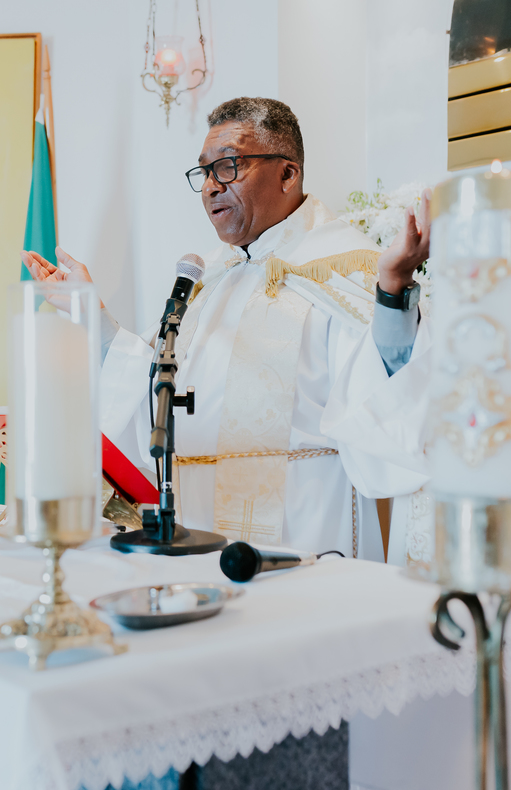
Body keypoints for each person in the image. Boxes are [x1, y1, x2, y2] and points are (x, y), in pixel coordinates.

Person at [22, 97, 430, 559]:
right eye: (204, 172)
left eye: (229, 166)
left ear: (287, 173)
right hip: (195, 530)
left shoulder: (343, 270)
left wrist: (393, 290)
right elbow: (156, 392)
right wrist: (90, 315)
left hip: (302, 532)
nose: (212, 187)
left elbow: (394, 392)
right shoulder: (208, 281)